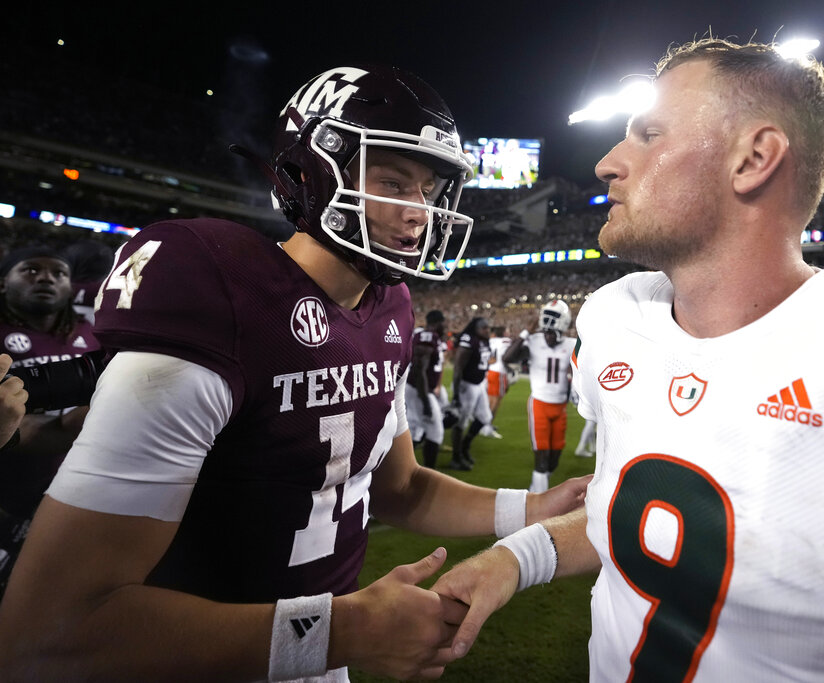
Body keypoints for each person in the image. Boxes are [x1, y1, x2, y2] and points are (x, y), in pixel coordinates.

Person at [432, 38, 824, 682]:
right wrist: (514, 559)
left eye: (648, 135)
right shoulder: (616, 318)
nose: (606, 163)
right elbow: (631, 513)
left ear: (753, 159)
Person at [0, 65, 590, 683]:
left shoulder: (386, 309)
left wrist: (533, 506)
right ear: (309, 173)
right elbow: (49, 635)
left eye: (429, 191)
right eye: (393, 181)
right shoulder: (220, 295)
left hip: (317, 659)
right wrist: (351, 628)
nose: (418, 213)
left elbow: (399, 489)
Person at [0, 246, 101, 517]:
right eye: (31, 269)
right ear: (3, 282)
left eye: (59, 273)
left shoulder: (93, 331)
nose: (46, 278)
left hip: (72, 489)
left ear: (70, 288)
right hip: (9, 493)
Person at [502, 300, 576, 492]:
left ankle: (536, 489)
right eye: (546, 332)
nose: (548, 337)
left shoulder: (571, 345)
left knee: (554, 459)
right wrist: (526, 331)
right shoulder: (534, 341)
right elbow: (507, 358)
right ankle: (539, 501)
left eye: (552, 333)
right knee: (541, 459)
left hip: (560, 408)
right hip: (539, 405)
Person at [448, 316, 495, 470]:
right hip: (466, 385)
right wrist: (456, 394)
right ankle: (456, 457)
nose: (487, 330)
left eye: (488, 328)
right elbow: (458, 368)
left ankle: (464, 447)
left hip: (479, 384)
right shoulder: (469, 340)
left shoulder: (483, 341)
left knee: (485, 417)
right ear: (476, 329)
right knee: (460, 422)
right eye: (484, 328)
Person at [406, 309, 448, 468]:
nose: (446, 325)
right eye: (444, 322)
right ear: (437, 323)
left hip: (419, 389)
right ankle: (429, 472)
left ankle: (401, 467)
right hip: (419, 389)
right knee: (435, 432)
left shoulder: (433, 337)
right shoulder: (428, 336)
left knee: (415, 428)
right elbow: (419, 369)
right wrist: (425, 401)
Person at [486, 325, 512, 421]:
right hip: (499, 373)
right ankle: (487, 424)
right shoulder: (505, 341)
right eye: (508, 331)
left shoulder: (491, 341)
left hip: (490, 371)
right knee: (496, 401)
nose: (510, 333)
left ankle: (484, 423)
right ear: (504, 333)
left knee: (490, 399)